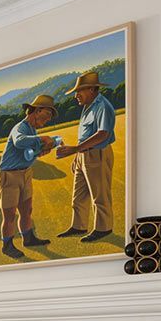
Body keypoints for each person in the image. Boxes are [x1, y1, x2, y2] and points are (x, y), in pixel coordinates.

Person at [52, 69, 118, 242]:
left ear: (91, 90)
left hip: (98, 155)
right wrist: (77, 155)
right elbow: (86, 134)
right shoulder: (88, 106)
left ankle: (103, 229)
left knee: (99, 195)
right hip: (83, 155)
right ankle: (78, 226)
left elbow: (103, 134)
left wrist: (75, 149)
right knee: (78, 196)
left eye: (79, 91)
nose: (76, 96)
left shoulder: (103, 106)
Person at [0, 94, 57, 259]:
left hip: (25, 173)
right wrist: (41, 138)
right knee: (9, 215)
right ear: (37, 111)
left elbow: (28, 153)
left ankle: (28, 238)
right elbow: (20, 142)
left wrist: (40, 151)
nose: (46, 121)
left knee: (27, 209)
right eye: (46, 116)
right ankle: (7, 245)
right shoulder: (20, 128)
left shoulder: (32, 129)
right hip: (9, 176)